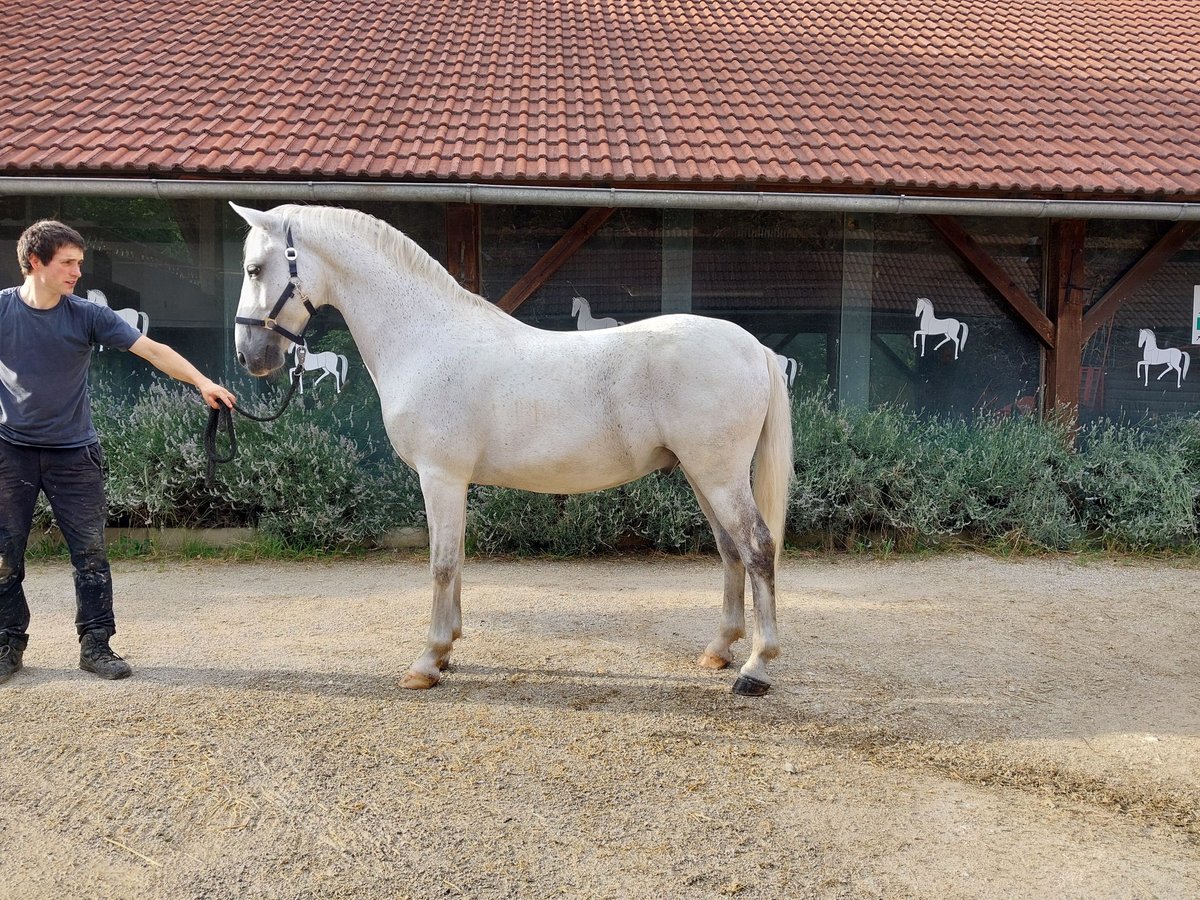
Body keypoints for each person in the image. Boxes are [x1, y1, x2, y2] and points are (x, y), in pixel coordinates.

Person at [0, 219, 237, 684]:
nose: (77, 273)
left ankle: (96, 646)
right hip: (12, 453)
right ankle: (7, 643)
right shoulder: (3, 311)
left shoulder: (86, 314)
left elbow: (152, 350)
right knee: (4, 554)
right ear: (35, 262)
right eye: (68, 263)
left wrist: (203, 382)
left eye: (79, 263)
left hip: (74, 454)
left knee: (90, 554)